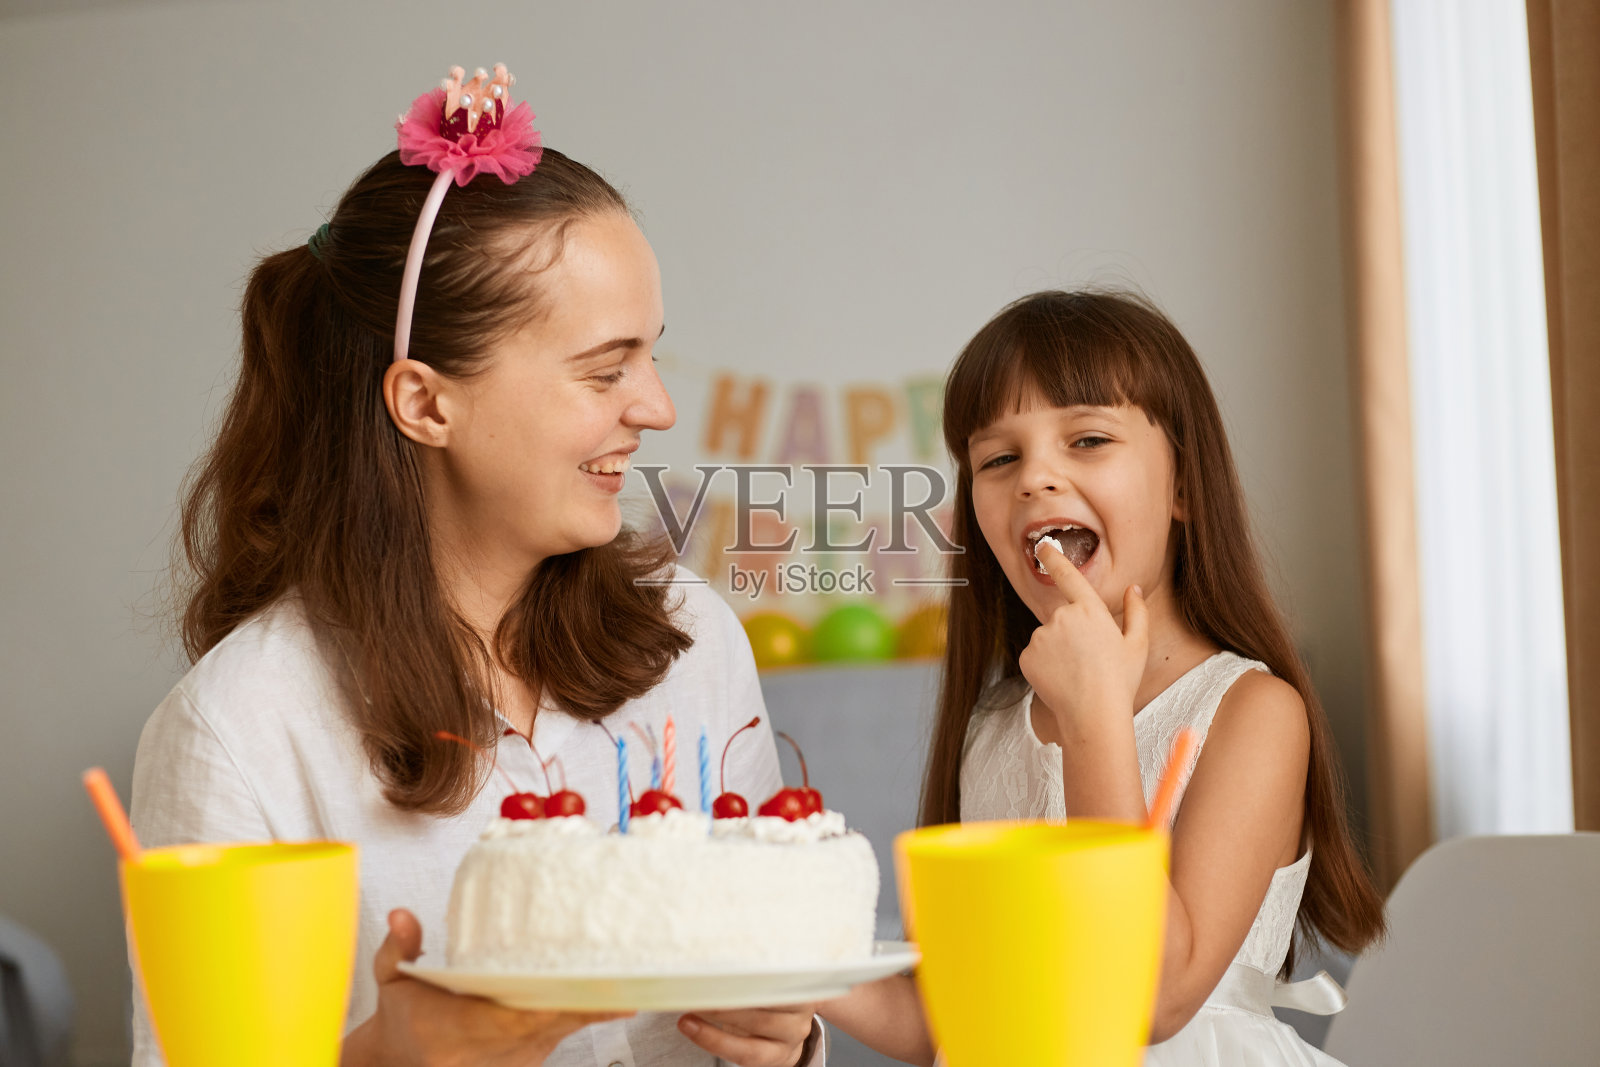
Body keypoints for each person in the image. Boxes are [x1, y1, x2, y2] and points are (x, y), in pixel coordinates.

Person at [131, 66, 821, 1067]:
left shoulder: (691, 635)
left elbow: (775, 990)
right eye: (604, 368)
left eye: (652, 355)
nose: (658, 408)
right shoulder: (237, 729)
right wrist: (373, 1056)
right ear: (423, 402)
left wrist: (787, 1042)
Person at [823, 290, 1386, 1065]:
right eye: (997, 458)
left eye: (1087, 439)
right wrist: (786, 963)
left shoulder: (1253, 711)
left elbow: (1149, 996)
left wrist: (1096, 718)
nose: (1035, 477)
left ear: (1184, 486)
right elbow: (952, 1014)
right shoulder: (991, 725)